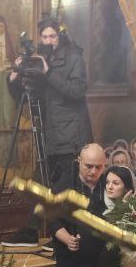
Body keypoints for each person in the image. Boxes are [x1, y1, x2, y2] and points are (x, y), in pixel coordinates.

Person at [7, 18, 92, 186]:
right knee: (48, 187)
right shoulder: (38, 58)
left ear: (60, 36)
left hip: (71, 138)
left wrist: (48, 72)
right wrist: (14, 76)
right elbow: (25, 96)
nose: (48, 41)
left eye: (52, 36)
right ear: (40, 38)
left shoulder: (73, 56)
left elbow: (77, 91)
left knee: (69, 187)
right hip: (49, 136)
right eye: (44, 37)